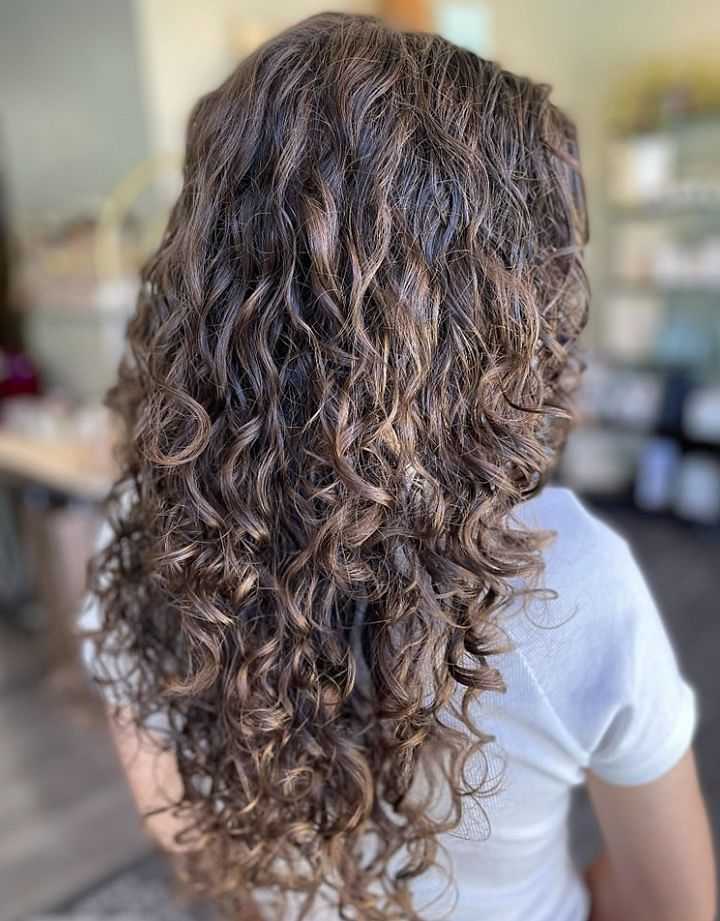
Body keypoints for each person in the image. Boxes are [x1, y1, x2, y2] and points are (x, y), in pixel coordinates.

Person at [78, 12, 716, 921]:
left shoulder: (148, 524)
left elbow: (175, 822)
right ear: (500, 302)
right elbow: (671, 906)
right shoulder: (572, 579)